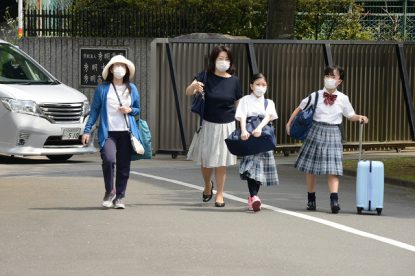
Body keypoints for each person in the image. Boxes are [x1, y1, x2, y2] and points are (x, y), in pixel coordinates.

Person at [286, 65, 369, 214]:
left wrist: (360, 117)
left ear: (339, 81)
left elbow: (350, 115)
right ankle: (311, 199)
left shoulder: (343, 98)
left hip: (334, 132)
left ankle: (334, 200)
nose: (329, 79)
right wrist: (289, 123)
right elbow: (300, 107)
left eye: (333, 76)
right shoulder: (315, 95)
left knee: (333, 168)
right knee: (310, 168)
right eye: (327, 76)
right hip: (316, 130)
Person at [185, 45, 242, 207]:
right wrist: (194, 87)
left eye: (227, 59)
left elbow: (238, 104)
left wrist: (242, 125)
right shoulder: (204, 76)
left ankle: (220, 194)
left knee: (221, 161)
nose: (224, 62)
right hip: (208, 123)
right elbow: (188, 91)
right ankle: (207, 185)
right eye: (220, 59)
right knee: (206, 161)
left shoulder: (234, 81)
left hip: (227, 124)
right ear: (213, 60)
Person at [82, 55, 141, 209]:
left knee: (124, 166)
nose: (120, 68)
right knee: (108, 160)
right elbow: (94, 111)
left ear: (127, 70)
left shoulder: (132, 88)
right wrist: (87, 130)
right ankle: (110, 191)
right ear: (111, 69)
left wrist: (129, 109)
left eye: (123, 65)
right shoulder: (102, 89)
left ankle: (119, 197)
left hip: (126, 133)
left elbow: (137, 109)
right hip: (109, 133)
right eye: (116, 65)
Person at [235, 73, 279, 212]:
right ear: (251, 86)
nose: (261, 87)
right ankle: (254, 197)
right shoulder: (245, 100)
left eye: (263, 85)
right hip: (249, 133)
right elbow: (242, 115)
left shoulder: (269, 102)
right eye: (258, 84)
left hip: (263, 135)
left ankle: (253, 197)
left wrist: (259, 128)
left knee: (260, 167)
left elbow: (269, 117)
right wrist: (243, 131)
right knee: (251, 166)